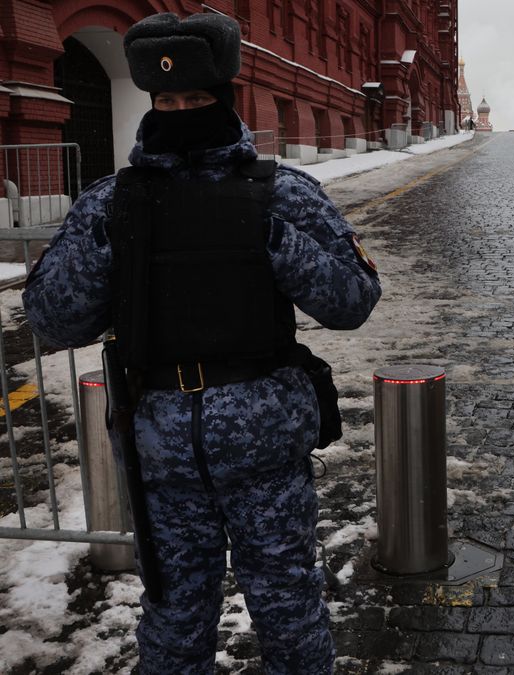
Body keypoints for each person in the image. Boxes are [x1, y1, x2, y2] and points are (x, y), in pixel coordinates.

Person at [21, 12, 382, 673]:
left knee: (291, 617)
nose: (181, 111)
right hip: (164, 457)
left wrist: (274, 239)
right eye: (167, 101)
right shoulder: (112, 203)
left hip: (265, 451)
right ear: (152, 104)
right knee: (174, 628)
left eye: (196, 99)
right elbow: (51, 318)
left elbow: (352, 299)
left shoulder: (280, 192)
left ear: (224, 99)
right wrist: (112, 246)